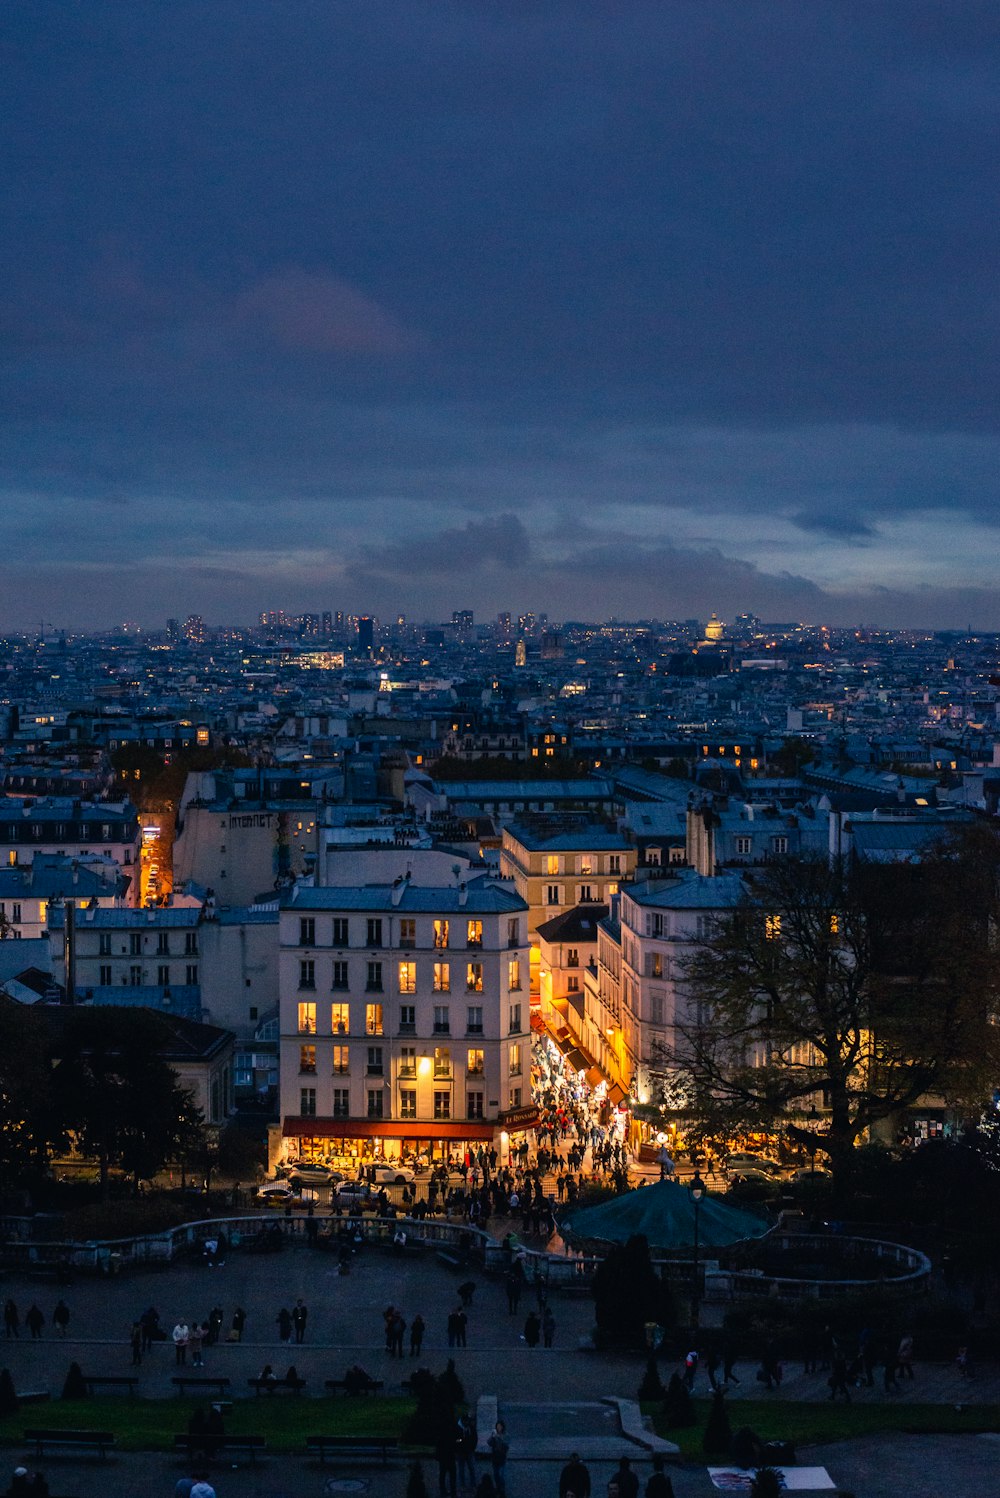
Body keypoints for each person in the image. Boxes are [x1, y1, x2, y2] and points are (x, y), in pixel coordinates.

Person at [487, 1420, 508, 1498]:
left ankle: (502, 1490)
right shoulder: (494, 1435)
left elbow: (506, 1446)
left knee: (501, 1476)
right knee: (496, 1475)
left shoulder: (505, 1435)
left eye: (500, 1426)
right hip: (495, 1459)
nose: (499, 1428)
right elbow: (489, 1443)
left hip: (502, 1459)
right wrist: (492, 1436)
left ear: (502, 1427)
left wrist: (499, 1438)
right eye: (497, 1426)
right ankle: (498, 1489)